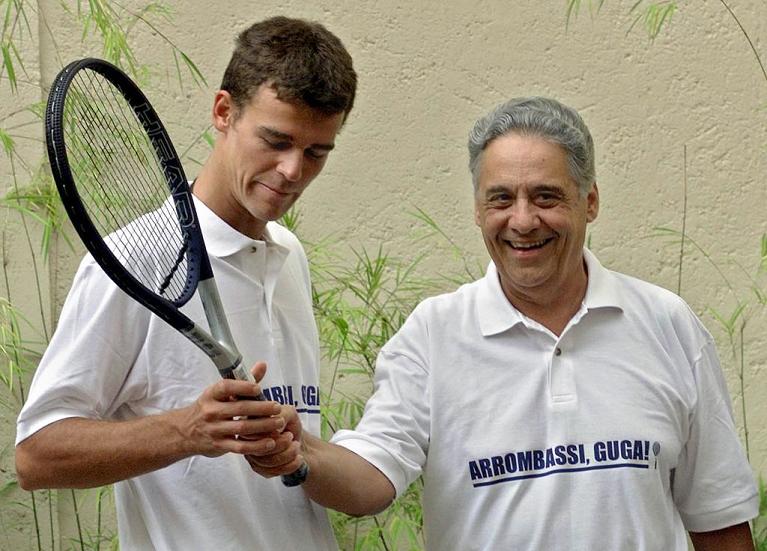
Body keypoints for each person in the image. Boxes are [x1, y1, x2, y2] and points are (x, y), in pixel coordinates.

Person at [248, 97, 760, 550]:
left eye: (546, 197)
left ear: (591, 201)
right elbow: (371, 480)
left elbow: (718, 519)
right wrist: (299, 455)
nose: (522, 220)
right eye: (500, 199)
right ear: (477, 210)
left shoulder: (668, 324)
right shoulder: (433, 334)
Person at [15, 16, 356, 550]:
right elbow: (37, 455)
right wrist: (189, 429)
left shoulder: (290, 255)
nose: (293, 170)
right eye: (277, 140)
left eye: (316, 152)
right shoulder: (132, 259)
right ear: (224, 111)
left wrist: (294, 452)